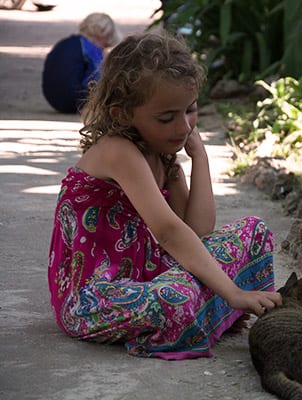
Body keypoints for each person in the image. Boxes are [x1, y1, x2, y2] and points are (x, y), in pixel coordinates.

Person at [47, 31, 282, 360]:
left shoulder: (163, 154)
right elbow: (170, 232)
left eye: (191, 110)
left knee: (254, 232)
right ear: (122, 115)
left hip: (149, 274)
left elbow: (198, 231)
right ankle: (206, 310)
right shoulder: (119, 151)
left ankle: (205, 311)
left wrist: (200, 158)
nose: (184, 126)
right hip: (95, 296)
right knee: (179, 298)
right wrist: (232, 293)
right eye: (167, 117)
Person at [42, 12, 121, 113]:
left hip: (53, 99)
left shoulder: (67, 42)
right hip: (73, 101)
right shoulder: (92, 49)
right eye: (106, 43)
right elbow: (98, 77)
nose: (104, 47)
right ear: (103, 34)